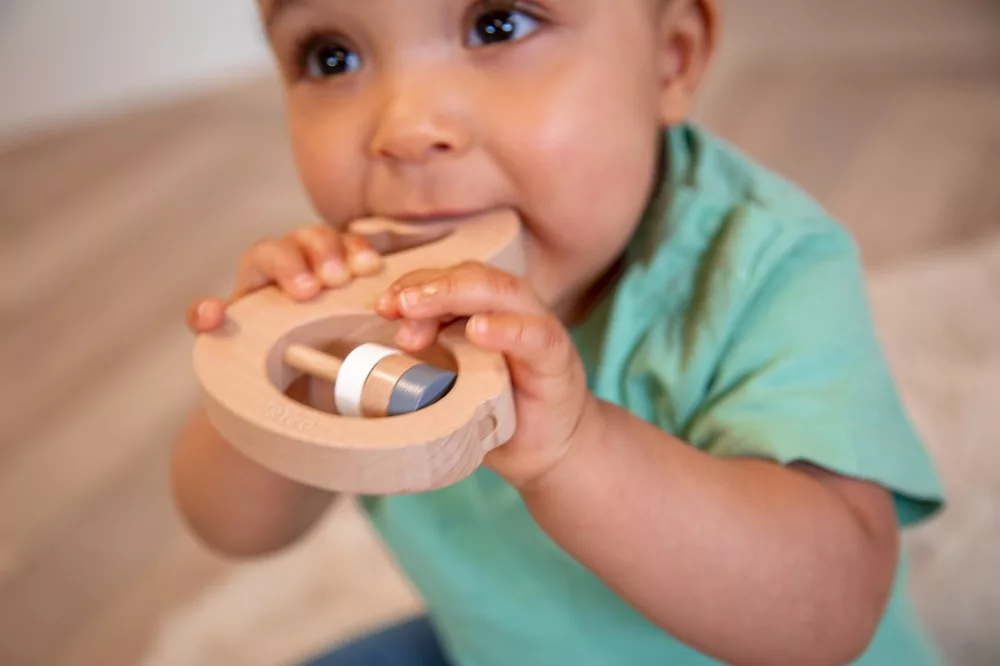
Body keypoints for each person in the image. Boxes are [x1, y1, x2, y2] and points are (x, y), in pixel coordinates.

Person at [172, 1, 946, 664]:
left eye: (497, 25)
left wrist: (576, 450)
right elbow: (231, 527)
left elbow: (828, 611)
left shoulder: (763, 265)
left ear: (671, 59)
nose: (404, 129)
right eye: (331, 55)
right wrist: (286, 373)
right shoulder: (370, 298)